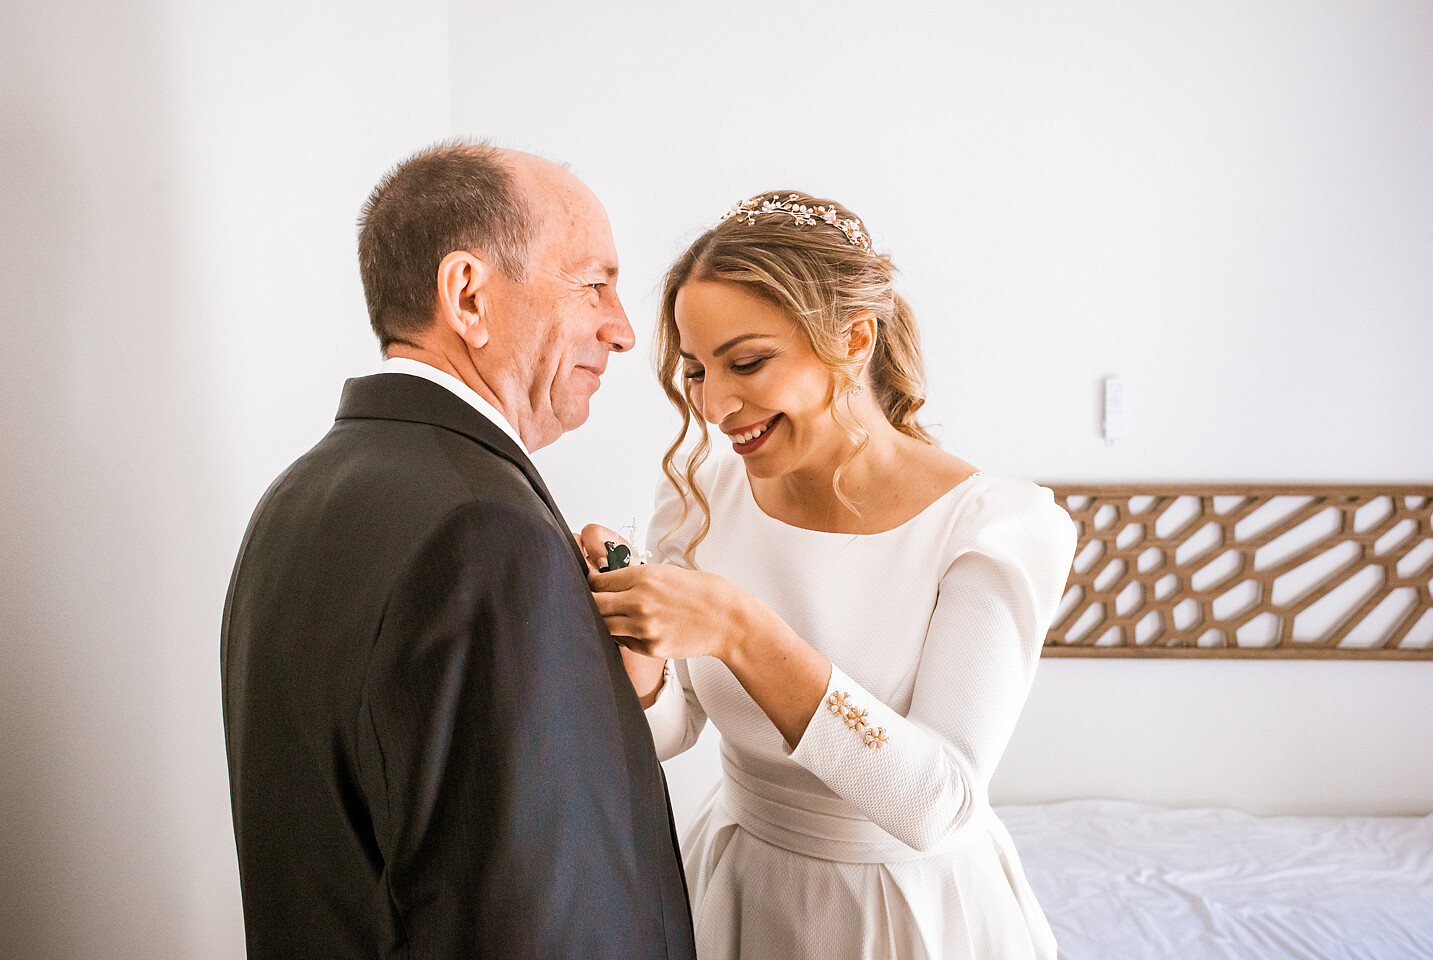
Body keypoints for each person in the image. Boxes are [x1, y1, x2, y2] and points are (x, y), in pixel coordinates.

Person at [220, 141, 695, 959]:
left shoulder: (294, 498)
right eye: (593, 283)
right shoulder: (488, 534)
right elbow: (533, 918)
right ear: (468, 296)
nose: (620, 330)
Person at [582, 192, 1076, 959]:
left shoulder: (993, 528)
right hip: (742, 889)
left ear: (853, 338)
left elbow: (937, 805)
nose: (715, 405)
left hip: (907, 914)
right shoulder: (700, 496)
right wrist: (639, 660)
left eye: (747, 362)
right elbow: (675, 728)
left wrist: (742, 631)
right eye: (696, 371)